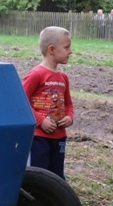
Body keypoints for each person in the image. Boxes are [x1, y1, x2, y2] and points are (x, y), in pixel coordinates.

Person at [22, 26, 74, 180]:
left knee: (56, 177)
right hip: (38, 138)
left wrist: (69, 118)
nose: (70, 51)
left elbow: (69, 105)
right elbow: (21, 101)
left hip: (59, 138)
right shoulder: (36, 74)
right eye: (66, 47)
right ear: (52, 49)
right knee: (39, 178)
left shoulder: (63, 77)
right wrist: (40, 121)